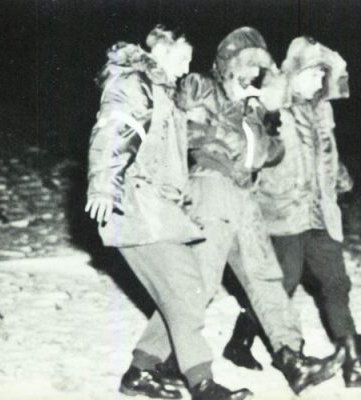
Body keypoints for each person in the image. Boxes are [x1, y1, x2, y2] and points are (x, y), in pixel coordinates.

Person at [222, 36, 361, 388]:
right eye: (311, 74)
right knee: (282, 284)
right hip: (284, 213)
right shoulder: (273, 107)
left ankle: (355, 362)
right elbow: (256, 154)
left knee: (336, 283)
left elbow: (324, 155)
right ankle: (240, 342)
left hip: (320, 214)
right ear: (293, 73)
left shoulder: (322, 111)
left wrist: (338, 175)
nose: (318, 82)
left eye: (322, 75)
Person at [86, 26, 252, 400]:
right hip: (133, 205)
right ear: (161, 49)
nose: (186, 67)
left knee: (188, 291)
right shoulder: (132, 82)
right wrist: (102, 185)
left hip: (159, 208)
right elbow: (113, 131)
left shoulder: (162, 90)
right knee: (186, 292)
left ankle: (140, 373)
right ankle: (202, 384)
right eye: (182, 57)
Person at [174, 27, 341, 396]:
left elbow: (265, 153)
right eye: (244, 67)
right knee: (196, 287)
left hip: (244, 197)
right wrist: (232, 127)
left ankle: (292, 359)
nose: (251, 76)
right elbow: (190, 134)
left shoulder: (252, 107)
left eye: (256, 69)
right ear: (225, 66)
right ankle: (164, 365)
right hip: (210, 192)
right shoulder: (204, 88)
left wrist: (269, 137)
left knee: (266, 278)